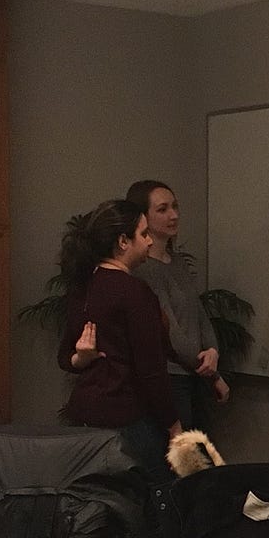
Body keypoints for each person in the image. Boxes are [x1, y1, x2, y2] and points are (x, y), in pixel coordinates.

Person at [57, 199, 181, 483]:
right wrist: (173, 425)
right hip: (126, 420)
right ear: (123, 241)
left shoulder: (82, 286)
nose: (150, 242)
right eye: (144, 234)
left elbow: (65, 356)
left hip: (83, 418)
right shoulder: (135, 293)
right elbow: (151, 370)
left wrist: (81, 359)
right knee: (158, 497)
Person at [126, 180, 229, 434]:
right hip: (172, 376)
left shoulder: (178, 262)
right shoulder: (144, 269)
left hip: (195, 372)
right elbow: (168, 329)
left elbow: (198, 312)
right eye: (162, 209)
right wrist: (211, 373)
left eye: (175, 207)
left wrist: (213, 349)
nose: (173, 215)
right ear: (143, 217)